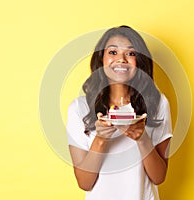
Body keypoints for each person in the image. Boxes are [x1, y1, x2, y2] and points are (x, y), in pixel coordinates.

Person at [66, 25, 173, 200]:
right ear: (101, 59)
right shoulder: (80, 108)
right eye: (113, 52)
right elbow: (85, 183)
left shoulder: (158, 103)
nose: (121, 59)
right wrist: (101, 139)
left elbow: (159, 177)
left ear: (139, 60)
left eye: (131, 53)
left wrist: (142, 138)